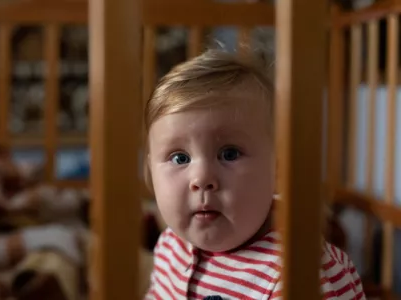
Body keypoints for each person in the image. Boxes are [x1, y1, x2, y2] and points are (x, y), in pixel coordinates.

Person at [143, 48, 365, 299]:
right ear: (150, 172)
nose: (202, 178)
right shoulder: (171, 246)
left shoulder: (300, 272)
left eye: (229, 154)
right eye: (180, 158)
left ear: (278, 170)